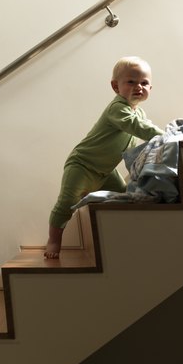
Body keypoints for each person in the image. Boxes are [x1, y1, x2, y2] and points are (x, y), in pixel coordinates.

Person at [44, 56, 164, 259]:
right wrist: (166, 136)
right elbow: (138, 128)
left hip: (106, 171)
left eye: (144, 83)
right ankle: (54, 240)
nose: (139, 87)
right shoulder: (117, 108)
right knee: (66, 203)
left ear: (151, 89)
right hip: (82, 164)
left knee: (125, 196)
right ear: (115, 86)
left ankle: (122, 236)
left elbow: (142, 126)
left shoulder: (139, 112)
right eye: (131, 82)